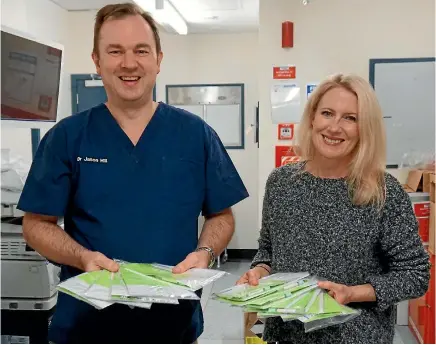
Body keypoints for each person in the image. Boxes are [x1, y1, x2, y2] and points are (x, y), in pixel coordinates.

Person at [18, 3, 248, 344]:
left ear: (158, 59)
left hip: (174, 326)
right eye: (115, 51)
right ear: (96, 61)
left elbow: (221, 216)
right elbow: (35, 224)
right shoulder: (67, 138)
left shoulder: (195, 135)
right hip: (86, 328)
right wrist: (82, 257)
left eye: (141, 50)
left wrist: (205, 253)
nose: (129, 63)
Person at [237, 73, 430, 343]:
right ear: (313, 117)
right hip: (286, 335)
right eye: (327, 113)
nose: (335, 127)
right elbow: (269, 250)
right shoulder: (281, 182)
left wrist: (353, 293)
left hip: (355, 337)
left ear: (365, 128)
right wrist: (259, 272)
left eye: (350, 118)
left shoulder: (383, 191)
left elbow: (415, 275)